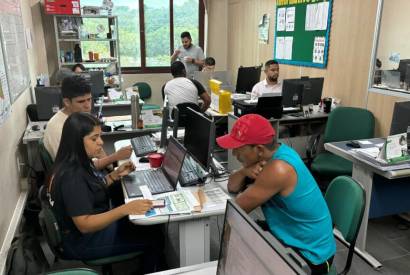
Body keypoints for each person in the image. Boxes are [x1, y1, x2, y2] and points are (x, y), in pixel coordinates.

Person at [216, 114, 336, 274]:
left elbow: (236, 210)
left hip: (311, 256)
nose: (234, 154)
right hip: (291, 236)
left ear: (259, 149)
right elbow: (232, 186)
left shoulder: (278, 169)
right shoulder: (274, 153)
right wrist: (244, 171)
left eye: (238, 149)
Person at [48, 112, 162, 273]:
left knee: (139, 219)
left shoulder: (73, 160)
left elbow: (91, 188)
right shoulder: (72, 177)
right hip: (84, 241)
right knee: (154, 236)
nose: (101, 143)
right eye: (94, 139)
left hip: (83, 230)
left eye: (100, 136)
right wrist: (125, 209)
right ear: (76, 142)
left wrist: (114, 175)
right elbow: (85, 225)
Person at [43, 75, 132, 168]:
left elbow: (99, 152)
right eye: (81, 102)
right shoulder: (58, 128)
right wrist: (115, 157)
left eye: (89, 99)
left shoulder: (80, 118)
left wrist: (111, 168)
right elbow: (77, 169)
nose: (88, 106)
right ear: (67, 102)